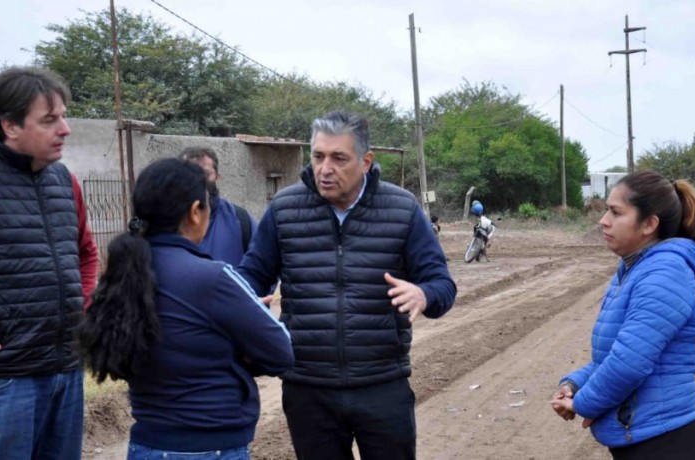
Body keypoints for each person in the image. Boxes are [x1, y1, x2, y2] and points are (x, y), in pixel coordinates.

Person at [238, 110, 456, 460]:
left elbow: (442, 285)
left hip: (383, 385)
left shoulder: (402, 210)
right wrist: (246, 304)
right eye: (318, 156)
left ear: (366, 161)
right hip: (308, 388)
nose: (325, 168)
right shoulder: (284, 210)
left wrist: (424, 293)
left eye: (339, 158)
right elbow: (251, 275)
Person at [77, 158, 294, 460]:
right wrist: (237, 339)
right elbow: (281, 353)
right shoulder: (213, 277)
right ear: (195, 212)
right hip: (210, 448)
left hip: (147, 444)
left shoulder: (125, 276)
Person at [0, 66, 99, 459]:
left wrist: (83, 306)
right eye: (49, 120)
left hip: (66, 370)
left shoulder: (66, 182)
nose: (65, 129)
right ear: (9, 126)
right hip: (1, 380)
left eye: (63, 116)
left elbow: (86, 254)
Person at [551, 170, 695, 460]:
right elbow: (613, 354)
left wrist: (581, 404)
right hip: (648, 441)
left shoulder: (665, 273)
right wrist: (572, 385)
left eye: (615, 212)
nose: (603, 220)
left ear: (649, 224)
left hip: (668, 445)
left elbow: (628, 363)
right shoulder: (634, 269)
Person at [180, 146, 256, 266]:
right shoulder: (167, 223)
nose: (198, 180)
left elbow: (264, 269)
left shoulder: (241, 220)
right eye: (190, 173)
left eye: (205, 173)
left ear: (217, 177)